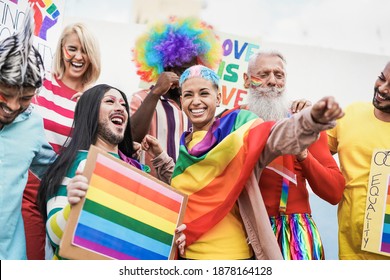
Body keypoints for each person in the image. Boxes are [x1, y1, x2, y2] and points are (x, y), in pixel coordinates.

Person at [163, 65, 344, 260]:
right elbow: (191, 193)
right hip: (187, 255)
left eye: (204, 93)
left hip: (233, 257)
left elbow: (275, 136)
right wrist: (160, 160)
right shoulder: (185, 143)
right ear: (181, 101)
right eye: (189, 95)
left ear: (218, 97)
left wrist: (309, 121)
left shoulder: (238, 128)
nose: (196, 101)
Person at [37, 84, 185, 260]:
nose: (120, 108)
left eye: (123, 105)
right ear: (90, 111)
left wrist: (172, 239)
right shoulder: (75, 163)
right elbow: (55, 237)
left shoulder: (138, 171)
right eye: (110, 101)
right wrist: (72, 206)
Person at [239, 51, 345, 260]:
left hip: (293, 237)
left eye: (279, 75)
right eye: (263, 74)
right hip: (242, 231)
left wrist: (303, 154)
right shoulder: (232, 122)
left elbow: (334, 192)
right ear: (246, 79)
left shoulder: (304, 124)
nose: (272, 82)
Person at [23, 22, 101, 259]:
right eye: (72, 49)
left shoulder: (94, 99)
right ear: (61, 49)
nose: (78, 56)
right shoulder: (40, 83)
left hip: (61, 193)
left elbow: (96, 150)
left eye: (84, 50)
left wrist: (89, 108)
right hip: (26, 187)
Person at [130, 16, 222, 177]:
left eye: (189, 69)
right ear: (163, 67)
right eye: (177, 69)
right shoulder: (142, 99)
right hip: (147, 190)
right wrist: (156, 92)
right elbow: (131, 139)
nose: (183, 76)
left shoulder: (197, 107)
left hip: (186, 190)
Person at [0, 10, 56, 260]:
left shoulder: (33, 122)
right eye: (4, 94)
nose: (12, 106)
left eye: (24, 98)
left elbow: (55, 171)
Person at [327, 61, 390, 260]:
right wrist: (304, 117)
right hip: (349, 248)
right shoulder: (350, 114)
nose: (382, 88)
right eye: (382, 78)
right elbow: (313, 152)